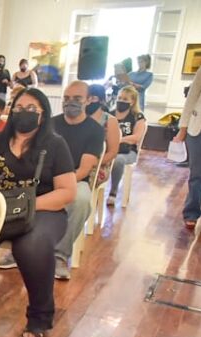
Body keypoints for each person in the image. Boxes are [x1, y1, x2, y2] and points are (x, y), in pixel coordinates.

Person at [0, 88, 77, 337]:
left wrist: (28, 206)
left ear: (43, 114)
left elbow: (67, 192)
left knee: (31, 245)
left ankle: (39, 316)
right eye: (19, 108)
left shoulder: (55, 145)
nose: (25, 113)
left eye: (32, 109)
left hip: (44, 210)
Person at [51, 81, 104, 280]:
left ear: (88, 100)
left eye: (76, 98)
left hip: (75, 179)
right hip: (46, 177)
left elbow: (83, 170)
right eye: (66, 98)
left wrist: (61, 184)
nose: (70, 102)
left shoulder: (95, 130)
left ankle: (59, 255)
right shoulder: (50, 124)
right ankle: (20, 250)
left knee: (82, 201)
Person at [174, 65, 201, 229]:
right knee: (197, 174)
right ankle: (192, 212)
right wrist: (183, 129)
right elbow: (191, 98)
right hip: (199, 128)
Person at [107, 86, 147, 206]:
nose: (121, 101)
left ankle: (113, 191)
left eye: (125, 99)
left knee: (118, 160)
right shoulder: (109, 114)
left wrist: (119, 140)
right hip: (109, 148)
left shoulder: (137, 116)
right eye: (119, 98)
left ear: (132, 101)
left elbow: (136, 137)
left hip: (128, 151)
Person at [87, 84, 120, 188]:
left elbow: (113, 152)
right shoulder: (79, 117)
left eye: (93, 98)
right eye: (87, 98)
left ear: (101, 100)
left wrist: (94, 164)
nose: (89, 101)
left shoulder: (110, 121)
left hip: (99, 165)